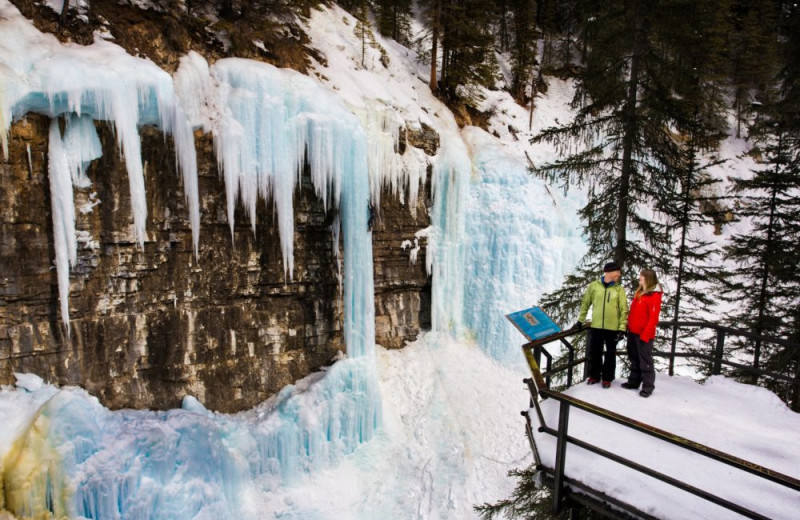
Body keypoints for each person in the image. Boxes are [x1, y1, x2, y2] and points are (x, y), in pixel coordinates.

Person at [576, 262, 629, 388]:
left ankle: (607, 378)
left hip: (613, 328)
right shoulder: (594, 286)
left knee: (610, 354)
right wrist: (580, 320)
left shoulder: (619, 289)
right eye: (617, 272)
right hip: (596, 326)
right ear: (609, 272)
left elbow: (623, 309)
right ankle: (594, 376)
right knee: (595, 352)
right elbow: (586, 303)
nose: (619, 275)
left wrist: (622, 328)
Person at [622, 268, 663, 398]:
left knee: (645, 361)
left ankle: (648, 386)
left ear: (648, 279)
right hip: (633, 331)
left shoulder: (654, 296)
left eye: (642, 276)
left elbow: (653, 318)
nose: (639, 278)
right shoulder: (640, 293)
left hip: (643, 334)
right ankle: (634, 382)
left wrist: (646, 335)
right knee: (634, 358)